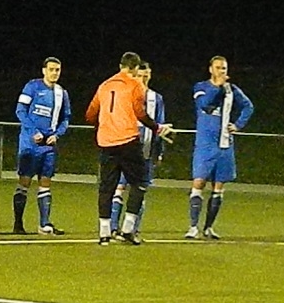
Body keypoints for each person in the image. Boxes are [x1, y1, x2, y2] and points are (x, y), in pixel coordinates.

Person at [85, 51, 173, 245]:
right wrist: (157, 128)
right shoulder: (134, 85)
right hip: (127, 141)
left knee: (106, 188)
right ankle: (127, 229)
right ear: (135, 68)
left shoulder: (104, 85)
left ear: (120, 66)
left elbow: (90, 114)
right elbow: (140, 113)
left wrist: (104, 125)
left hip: (106, 143)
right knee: (140, 183)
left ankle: (104, 233)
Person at [186, 55, 254, 240]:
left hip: (224, 144)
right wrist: (218, 87)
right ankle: (193, 227)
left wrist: (238, 125)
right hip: (205, 144)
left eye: (224, 68)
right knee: (199, 182)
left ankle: (208, 228)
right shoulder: (201, 87)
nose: (221, 71)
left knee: (219, 186)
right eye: (218, 68)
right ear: (210, 69)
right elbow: (205, 105)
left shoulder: (232, 90)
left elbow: (248, 107)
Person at [13, 56, 72, 235]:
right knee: (24, 182)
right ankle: (18, 224)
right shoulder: (32, 87)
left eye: (57, 70)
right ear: (44, 70)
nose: (54, 73)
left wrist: (57, 134)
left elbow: (66, 118)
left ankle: (44, 224)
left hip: (48, 146)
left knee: (45, 182)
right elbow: (20, 110)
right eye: (51, 69)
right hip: (30, 144)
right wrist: (33, 131)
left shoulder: (62, 93)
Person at [111, 61, 166, 236]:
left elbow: (160, 126)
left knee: (140, 190)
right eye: (140, 76)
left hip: (145, 153)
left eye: (146, 76)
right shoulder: (126, 94)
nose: (143, 79)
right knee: (119, 188)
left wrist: (159, 151)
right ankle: (113, 227)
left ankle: (132, 229)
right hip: (125, 149)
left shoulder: (156, 99)